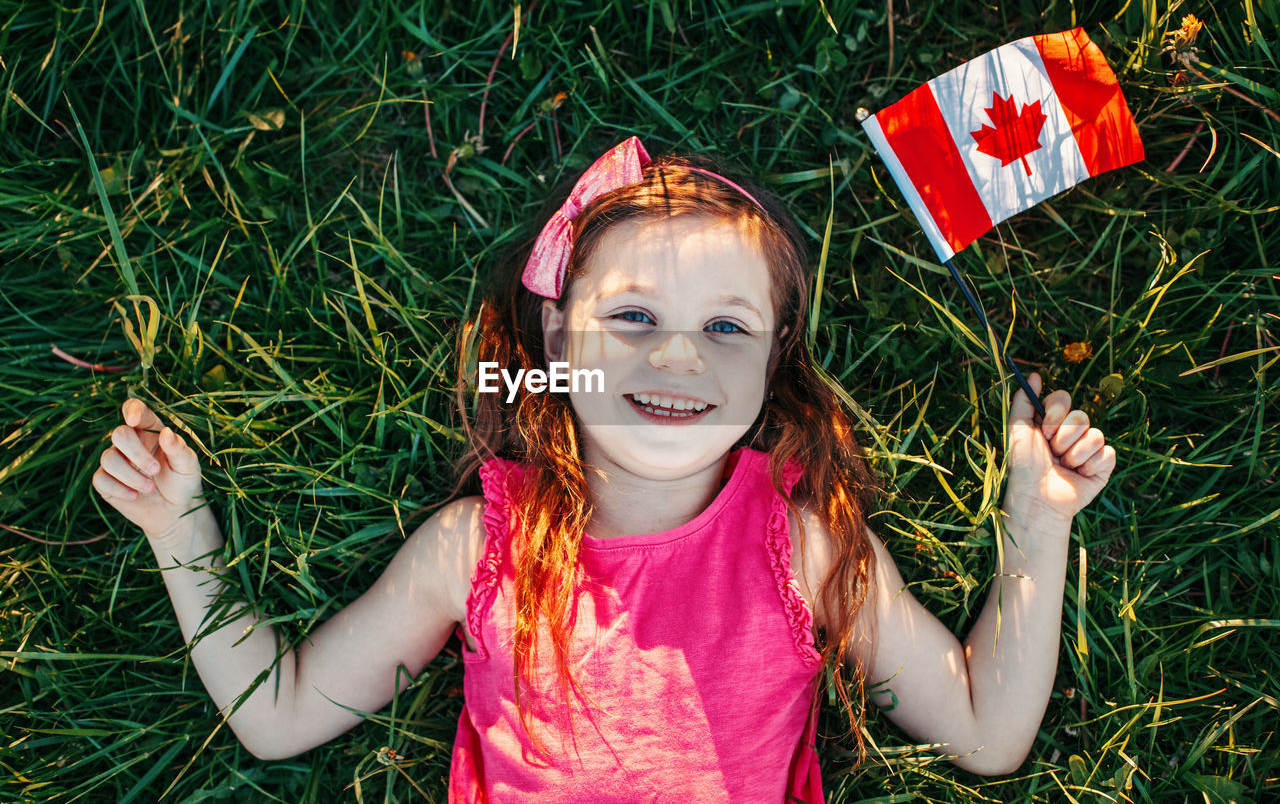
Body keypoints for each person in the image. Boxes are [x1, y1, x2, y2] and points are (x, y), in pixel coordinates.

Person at [92, 136, 1116, 802]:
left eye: (725, 325)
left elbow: (984, 732)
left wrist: (1038, 520)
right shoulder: (476, 550)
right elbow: (277, 716)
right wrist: (183, 534)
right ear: (555, 329)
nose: (677, 357)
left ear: (773, 360)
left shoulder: (799, 547)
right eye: (632, 318)